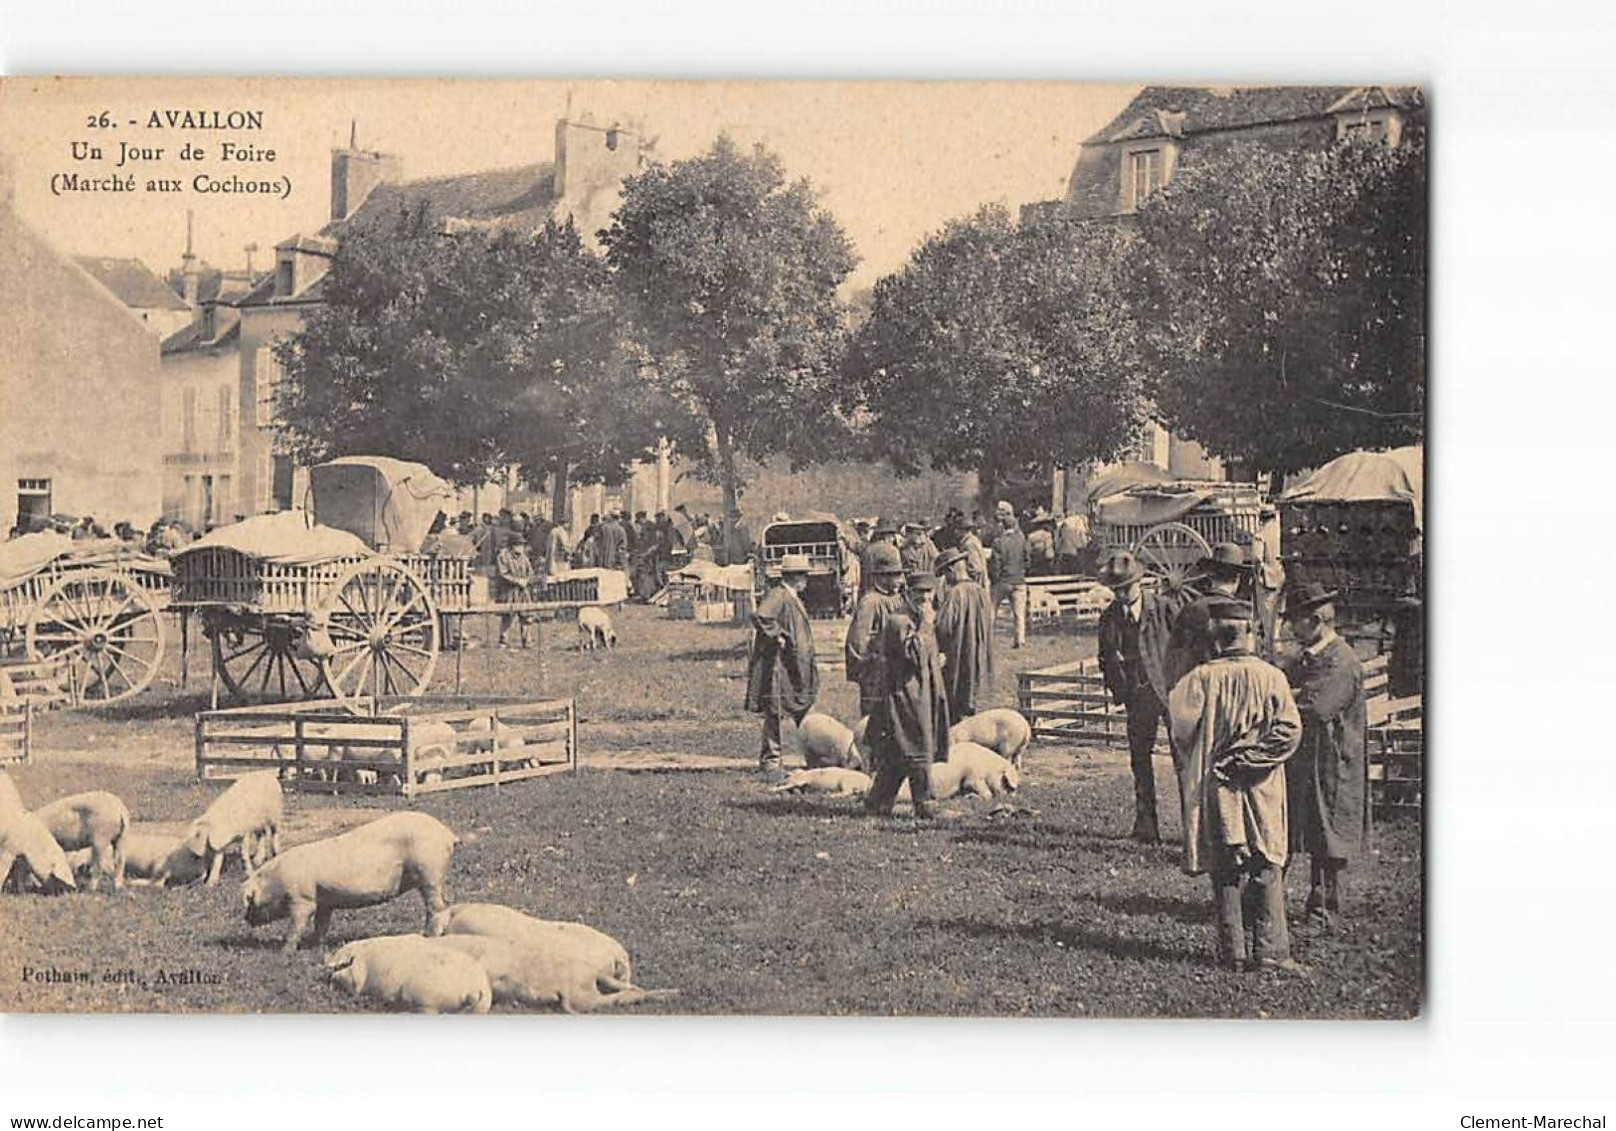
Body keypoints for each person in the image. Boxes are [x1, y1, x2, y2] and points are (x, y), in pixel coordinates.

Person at [1168, 596, 1304, 974]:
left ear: (1214, 637)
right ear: (1249, 633)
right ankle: (1272, 952)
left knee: (1226, 865)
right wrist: (1255, 757)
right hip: (1261, 783)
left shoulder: (1198, 680)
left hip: (1219, 782)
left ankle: (1234, 952)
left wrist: (1218, 750)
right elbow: (1290, 731)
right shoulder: (1271, 677)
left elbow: (1181, 729)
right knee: (1266, 860)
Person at [1279, 583, 1368, 935]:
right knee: (1310, 829)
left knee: (1327, 837)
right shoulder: (1311, 657)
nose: (1289, 629)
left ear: (1315, 620)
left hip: (1335, 763)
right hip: (1310, 759)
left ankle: (1324, 912)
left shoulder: (1342, 661)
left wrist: (1286, 698)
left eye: (1295, 622)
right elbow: (1291, 686)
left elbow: (1316, 707)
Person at [1097, 549, 1182, 843]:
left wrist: (1181, 687)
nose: (1121, 594)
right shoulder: (1109, 618)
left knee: (1183, 758)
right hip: (1138, 697)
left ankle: (1193, 829)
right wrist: (1122, 691)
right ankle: (1146, 826)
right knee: (1140, 761)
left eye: (1126, 588)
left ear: (1140, 582)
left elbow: (1185, 647)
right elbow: (1105, 659)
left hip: (1171, 692)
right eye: (1116, 590)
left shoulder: (1165, 608)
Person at [862, 572, 952, 819]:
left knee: (899, 749)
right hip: (906, 695)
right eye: (918, 593)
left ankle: (878, 800)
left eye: (929, 592)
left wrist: (936, 658)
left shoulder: (916, 618)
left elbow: (923, 653)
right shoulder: (899, 621)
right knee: (916, 744)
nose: (924, 598)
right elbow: (913, 654)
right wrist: (926, 624)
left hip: (921, 691)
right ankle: (926, 804)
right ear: (908, 593)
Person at [744, 554, 818, 777]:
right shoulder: (779, 595)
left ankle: (814, 755)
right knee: (775, 711)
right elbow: (762, 616)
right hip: (779, 665)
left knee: (801, 706)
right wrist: (778, 636)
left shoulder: (791, 596)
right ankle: (771, 760)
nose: (806, 580)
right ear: (795, 576)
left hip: (793, 663)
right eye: (803, 575)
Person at [1164, 542, 1252, 693]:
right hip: (1234, 692)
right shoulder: (1243, 613)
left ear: (1210, 576)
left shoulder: (1191, 610)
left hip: (1198, 691)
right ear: (1237, 580)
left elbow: (1173, 660)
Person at [845, 542, 906, 720]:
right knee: (874, 715)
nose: (899, 581)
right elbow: (858, 640)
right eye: (895, 576)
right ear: (883, 577)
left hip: (896, 668)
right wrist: (866, 668)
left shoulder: (898, 599)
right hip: (876, 670)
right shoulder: (870, 602)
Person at [933, 547, 995, 720]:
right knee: (975, 689)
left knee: (957, 694)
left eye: (945, 573)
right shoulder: (981, 591)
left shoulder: (955, 593)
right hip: (980, 650)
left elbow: (943, 627)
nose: (946, 578)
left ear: (952, 569)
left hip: (959, 653)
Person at [988, 500, 1029, 649]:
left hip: (1003, 581)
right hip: (1019, 580)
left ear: (1003, 526)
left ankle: (987, 638)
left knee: (992, 610)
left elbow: (995, 564)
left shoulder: (998, 542)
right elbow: (1027, 559)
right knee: (1019, 614)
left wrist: (995, 578)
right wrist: (1022, 571)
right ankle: (1020, 640)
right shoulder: (1022, 539)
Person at [495, 538, 535, 649]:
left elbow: (530, 572)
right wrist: (517, 581)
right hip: (509, 590)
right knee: (507, 616)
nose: (521, 548)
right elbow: (503, 574)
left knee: (526, 616)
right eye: (518, 545)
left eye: (522, 545)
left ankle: (527, 641)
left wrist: (527, 580)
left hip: (523, 591)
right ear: (512, 546)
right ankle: (503, 641)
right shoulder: (503, 556)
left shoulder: (523, 558)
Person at [859, 519, 899, 597]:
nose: (893, 538)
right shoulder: (892, 550)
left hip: (867, 592)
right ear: (887, 536)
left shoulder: (867, 550)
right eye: (892, 535)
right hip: (885, 592)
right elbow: (897, 576)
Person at [1055, 510, 1091, 576]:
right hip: (1076, 554)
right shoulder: (1080, 522)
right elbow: (1084, 540)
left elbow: (1058, 540)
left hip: (1064, 554)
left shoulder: (1064, 524)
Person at [1027, 508, 1056, 577]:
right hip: (1044, 568)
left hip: (1033, 568)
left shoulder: (1031, 536)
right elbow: (1049, 555)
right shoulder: (1047, 535)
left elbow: (1027, 554)